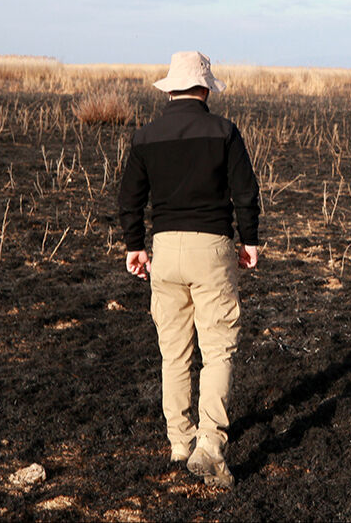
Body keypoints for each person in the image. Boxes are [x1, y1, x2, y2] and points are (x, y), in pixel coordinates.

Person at [118, 51, 260, 489]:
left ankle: (180, 442)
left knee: (174, 351)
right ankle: (210, 446)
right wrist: (249, 240)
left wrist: (135, 246)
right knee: (217, 349)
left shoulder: (145, 136)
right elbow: (245, 193)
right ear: (205, 89)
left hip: (164, 250)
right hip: (211, 248)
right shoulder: (224, 132)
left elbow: (129, 199)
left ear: (171, 89)